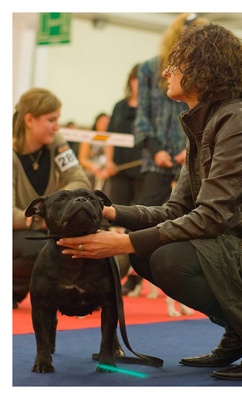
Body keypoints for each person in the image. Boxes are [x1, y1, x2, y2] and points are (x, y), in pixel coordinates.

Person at [57, 24, 242, 381]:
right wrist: (109, 211)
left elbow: (210, 217)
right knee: (146, 251)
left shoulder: (238, 121)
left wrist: (121, 241)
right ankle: (240, 334)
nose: (165, 72)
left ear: (201, 70)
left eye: (175, 64)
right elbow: (175, 212)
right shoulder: (207, 123)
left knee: (166, 257)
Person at [121, 13, 208, 294]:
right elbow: (142, 119)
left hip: (192, 156)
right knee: (145, 214)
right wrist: (156, 150)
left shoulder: (205, 71)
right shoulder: (149, 69)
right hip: (155, 159)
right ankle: (134, 274)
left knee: (195, 217)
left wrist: (192, 149)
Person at [13, 87, 91, 309]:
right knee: (41, 251)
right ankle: (12, 290)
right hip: (16, 233)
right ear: (29, 120)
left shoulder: (56, 141)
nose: (57, 126)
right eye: (51, 120)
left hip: (41, 227)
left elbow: (79, 178)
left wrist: (60, 201)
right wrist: (44, 215)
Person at [102, 63, 144, 289]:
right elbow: (109, 136)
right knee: (114, 218)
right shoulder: (119, 106)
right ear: (130, 81)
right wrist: (109, 161)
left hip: (142, 171)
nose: (138, 84)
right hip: (118, 170)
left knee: (138, 222)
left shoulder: (149, 109)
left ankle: (136, 277)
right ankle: (112, 272)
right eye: (136, 79)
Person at [78, 112, 110, 190]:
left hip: (106, 176)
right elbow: (82, 159)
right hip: (90, 175)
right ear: (96, 122)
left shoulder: (111, 138)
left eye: (107, 123)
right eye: (102, 122)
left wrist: (107, 169)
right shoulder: (89, 136)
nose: (104, 125)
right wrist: (93, 166)